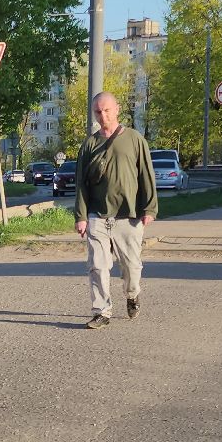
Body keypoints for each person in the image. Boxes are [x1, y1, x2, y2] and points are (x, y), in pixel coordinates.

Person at [73, 92, 157, 328]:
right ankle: (102, 311)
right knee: (98, 266)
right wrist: (81, 216)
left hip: (128, 216)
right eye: (98, 112)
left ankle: (132, 295)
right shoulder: (89, 144)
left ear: (117, 109)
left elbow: (146, 175)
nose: (103, 116)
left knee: (131, 265)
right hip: (97, 216)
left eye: (107, 110)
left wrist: (149, 208)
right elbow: (81, 183)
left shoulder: (134, 139)